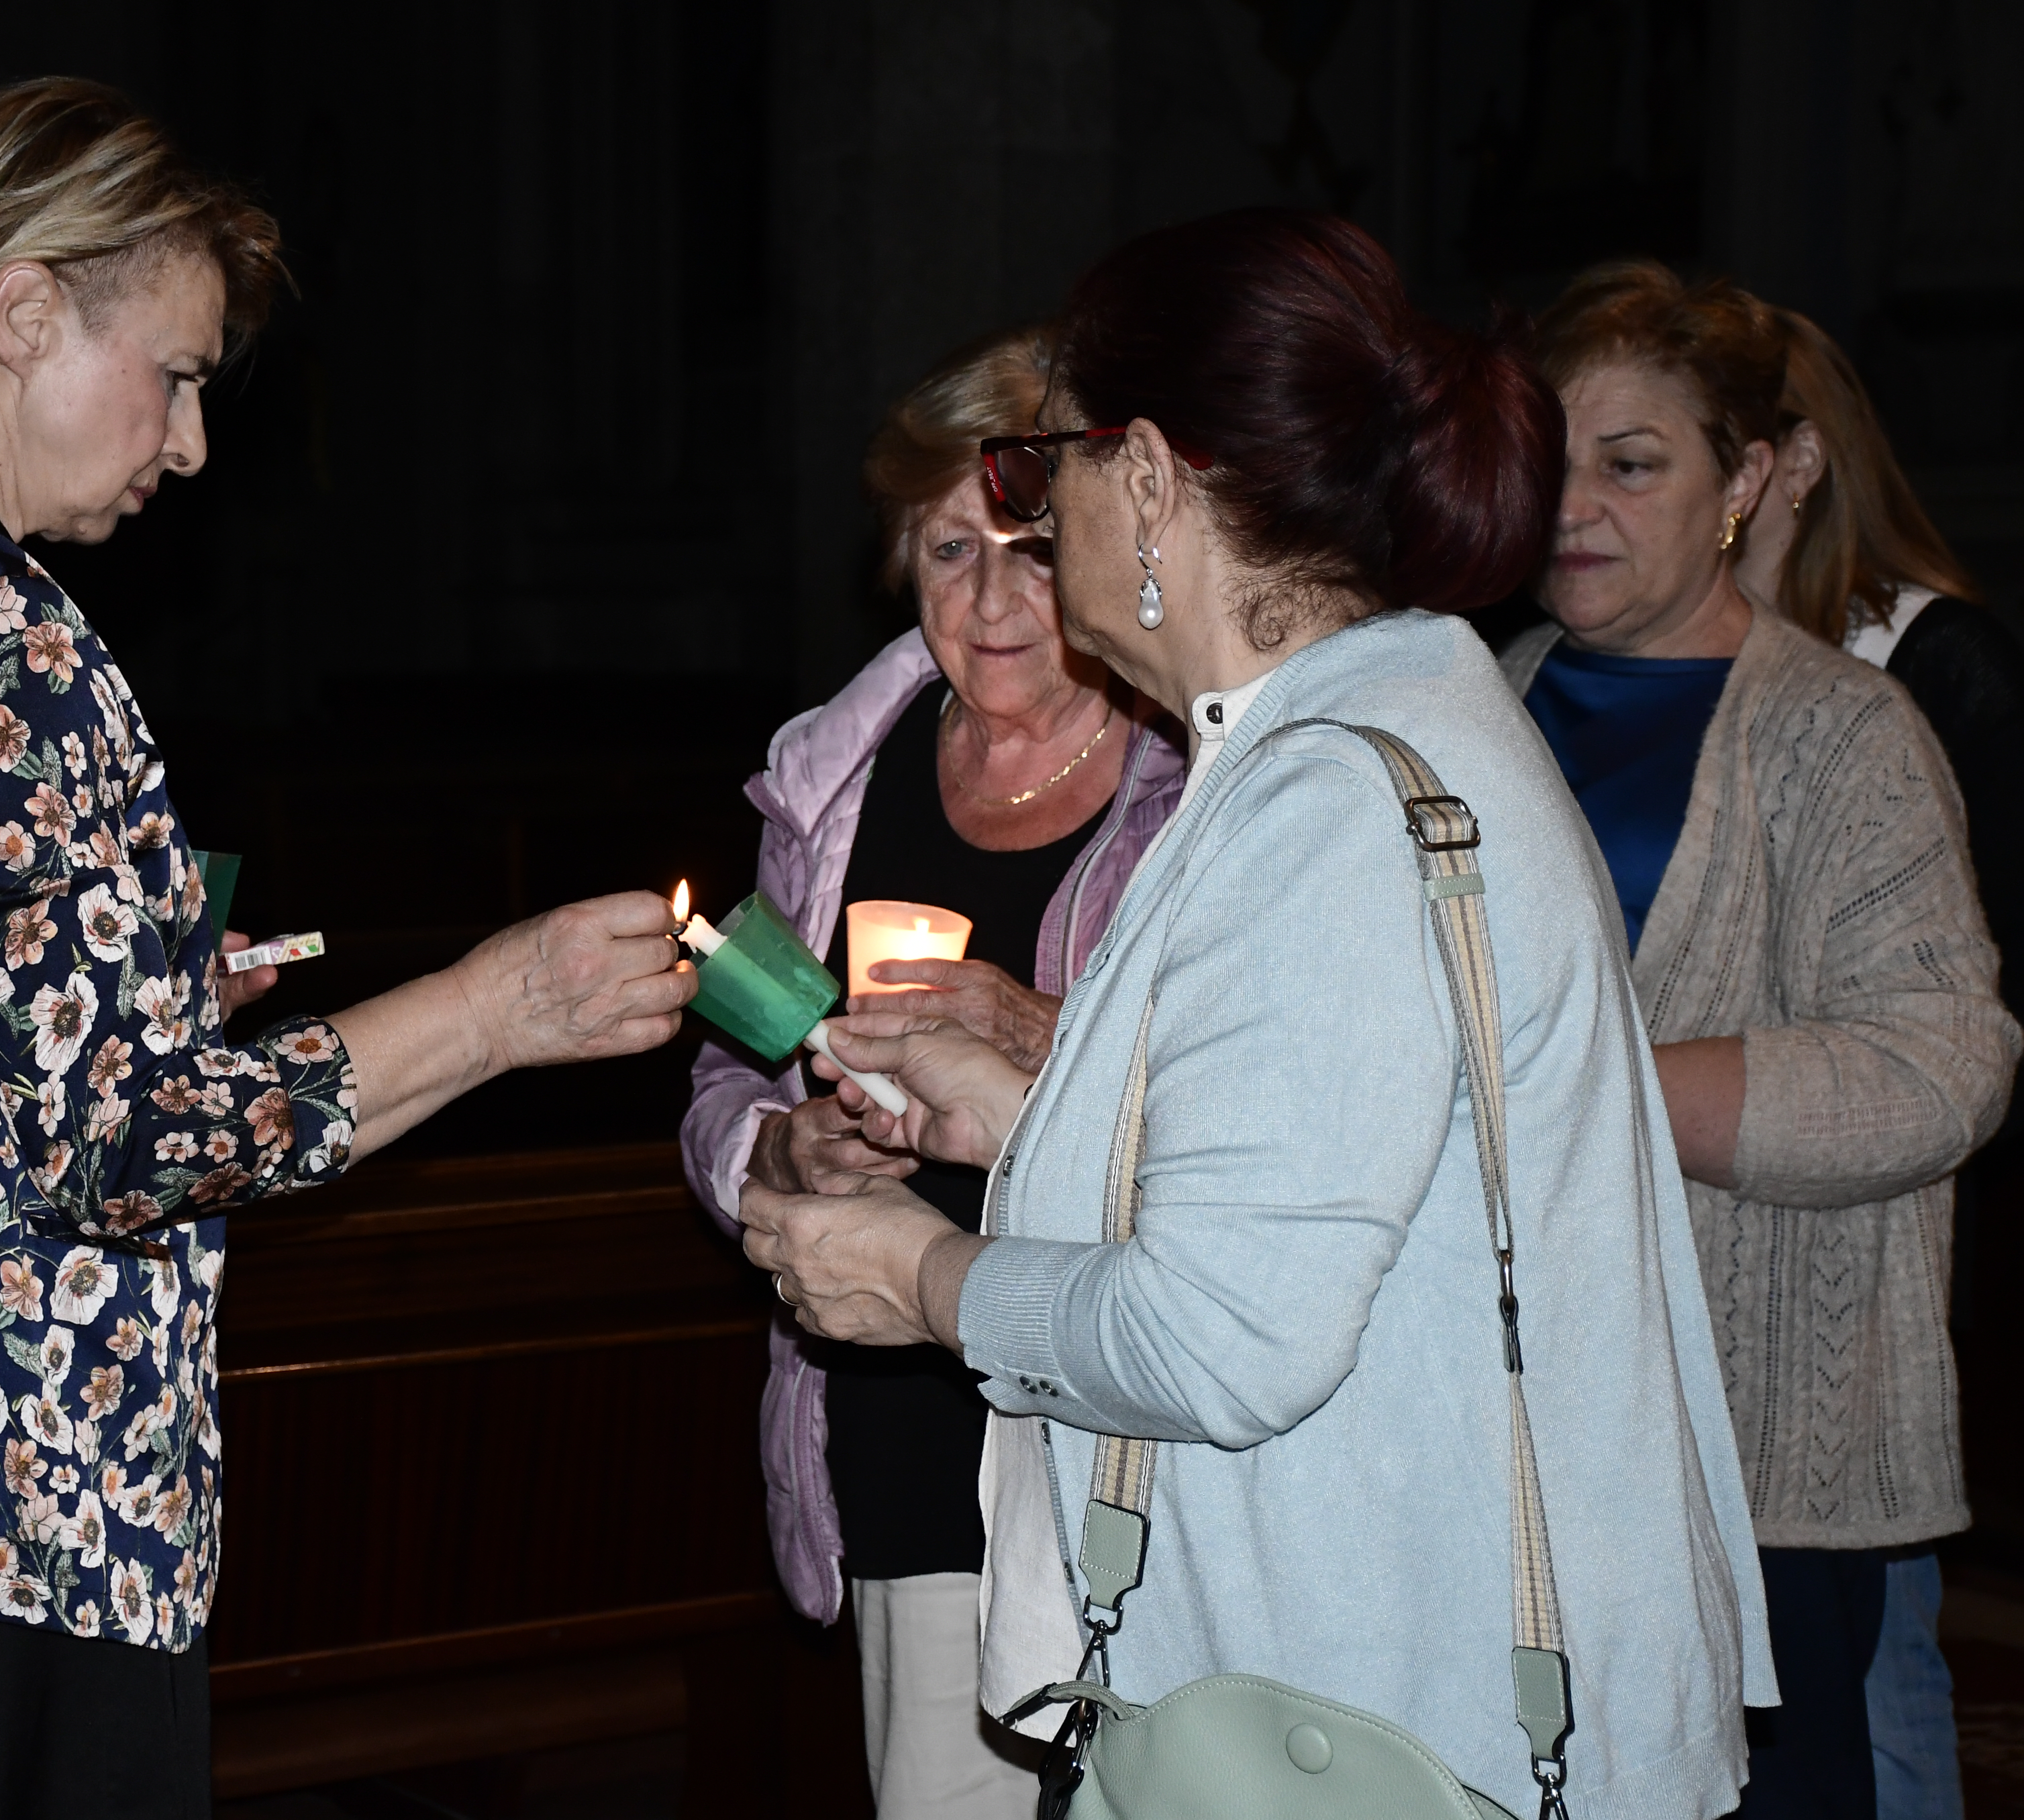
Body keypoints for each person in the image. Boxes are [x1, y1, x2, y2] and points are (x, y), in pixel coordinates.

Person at [0, 80, 694, 1819]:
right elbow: (118, 1141)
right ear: (20, 311)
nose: (187, 446)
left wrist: (131, 992)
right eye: (170, 374)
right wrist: (499, 1008)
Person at [737, 209, 1775, 1818]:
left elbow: (1223, 1339)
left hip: (1373, 1696)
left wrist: (926, 1276)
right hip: (1369, 1660)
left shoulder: (1325, 796)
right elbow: (1347, 1174)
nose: (1029, 519)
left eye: (1040, 473)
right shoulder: (1380, 717)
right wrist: (1029, 1111)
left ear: (1145, 475)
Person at [1500, 259, 2018, 1820]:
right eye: (1549, 462)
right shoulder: (1476, 701)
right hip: (1502, 1428)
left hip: (1751, 1455)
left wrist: (1596, 1097)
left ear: (1745, 481)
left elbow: (1944, 1063)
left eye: (1631, 462)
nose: (1571, 505)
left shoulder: (1844, 732)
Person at [679, 326, 1184, 1819]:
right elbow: (732, 1065)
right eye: (947, 549)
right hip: (905, 1412)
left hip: (1120, 1426)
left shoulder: (1193, 778)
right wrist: (773, 1157)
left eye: (1031, 550)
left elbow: (1259, 1098)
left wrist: (1046, 1036)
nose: (989, 598)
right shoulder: (841, 769)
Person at [1729, 300, 2024, 1820]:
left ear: (1794, 460)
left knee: (1879, 1619)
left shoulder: (1932, 658)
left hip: (1876, 1180)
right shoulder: (1647, 650)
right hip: (1720, 1187)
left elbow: (1969, 988)